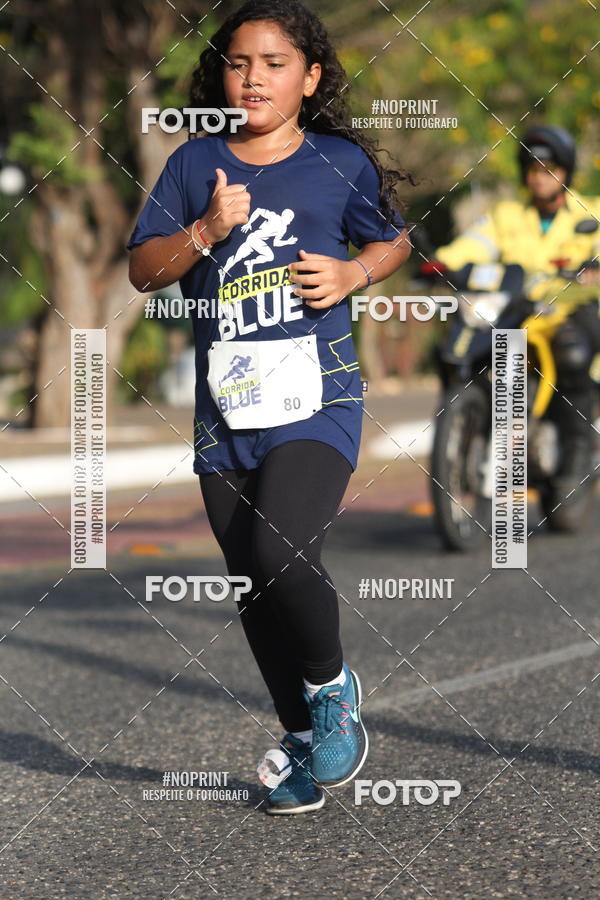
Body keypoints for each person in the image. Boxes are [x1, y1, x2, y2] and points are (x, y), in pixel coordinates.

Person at [127, 0, 412, 815]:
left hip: (317, 394)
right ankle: (299, 741)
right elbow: (147, 270)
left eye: (275, 63)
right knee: (252, 578)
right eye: (240, 62)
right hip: (228, 407)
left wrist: (356, 274)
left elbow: (392, 238)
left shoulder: (336, 163)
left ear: (311, 76)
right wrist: (208, 230)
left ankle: (332, 689)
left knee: (281, 547)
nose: (254, 77)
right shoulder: (194, 163)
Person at [434, 125, 600, 508]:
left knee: (574, 353)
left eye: (549, 168)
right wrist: (442, 262)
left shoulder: (587, 213)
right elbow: (474, 243)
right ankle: (484, 426)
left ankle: (575, 461)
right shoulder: (506, 215)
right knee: (473, 349)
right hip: (516, 312)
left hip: (569, 310)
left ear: (566, 173)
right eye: (533, 168)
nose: (540, 177)